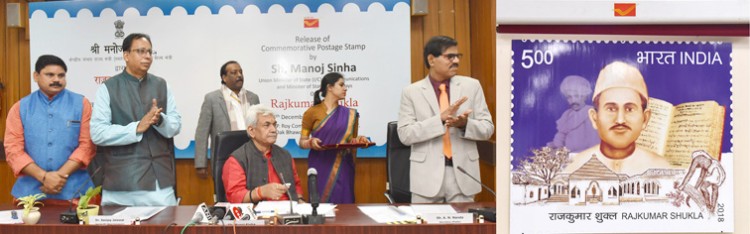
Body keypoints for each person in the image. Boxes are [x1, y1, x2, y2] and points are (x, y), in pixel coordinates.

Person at [397, 36, 494, 203]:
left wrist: (465, 125)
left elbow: (487, 129)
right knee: (426, 229)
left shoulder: (471, 86)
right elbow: (405, 135)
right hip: (426, 179)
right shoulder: (411, 92)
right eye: (450, 56)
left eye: (458, 56)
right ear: (431, 59)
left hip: (463, 175)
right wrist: (439, 120)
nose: (456, 61)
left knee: (463, 229)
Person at [91, 33, 182, 206]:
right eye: (141, 51)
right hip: (121, 184)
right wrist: (136, 128)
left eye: (149, 52)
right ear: (126, 55)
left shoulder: (162, 85)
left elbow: (175, 126)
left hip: (158, 184)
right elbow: (98, 133)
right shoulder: (107, 88)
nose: (147, 56)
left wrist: (159, 120)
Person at [4, 55, 95, 203]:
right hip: (30, 195)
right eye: (50, 75)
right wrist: (44, 177)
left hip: (75, 193)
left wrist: (58, 177)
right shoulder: (20, 107)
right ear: (36, 76)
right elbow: (13, 150)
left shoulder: (82, 104)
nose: (56, 80)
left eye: (61, 75)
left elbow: (87, 146)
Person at [566, 61, 671, 176]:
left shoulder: (662, 168)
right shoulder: (573, 168)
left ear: (645, 119)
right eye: (611, 109)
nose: (620, 120)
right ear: (594, 118)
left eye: (629, 109)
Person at [299, 72, 369, 204]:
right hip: (319, 165)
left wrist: (359, 140)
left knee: (345, 205)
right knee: (319, 205)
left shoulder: (351, 114)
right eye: (341, 85)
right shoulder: (311, 113)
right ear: (329, 87)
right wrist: (310, 142)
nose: (345, 88)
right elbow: (302, 142)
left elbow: (351, 140)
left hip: (343, 166)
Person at [222, 105, 303, 203]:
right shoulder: (237, 160)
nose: (273, 130)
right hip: (257, 215)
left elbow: (296, 185)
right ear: (252, 131)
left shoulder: (285, 155)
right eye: (267, 125)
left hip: (289, 213)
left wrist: (300, 201)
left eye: (274, 124)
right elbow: (234, 196)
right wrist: (260, 192)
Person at [194, 61, 260, 178]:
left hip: (252, 157)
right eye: (234, 73)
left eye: (240, 72)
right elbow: (202, 133)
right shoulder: (212, 99)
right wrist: (201, 164)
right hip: (225, 157)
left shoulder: (253, 98)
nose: (239, 75)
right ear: (224, 77)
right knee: (226, 194)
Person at [547, 75, 599, 152]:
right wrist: (556, 147)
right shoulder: (567, 115)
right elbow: (561, 135)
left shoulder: (591, 114)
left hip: (584, 156)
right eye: (569, 97)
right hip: (566, 155)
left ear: (585, 96)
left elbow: (594, 143)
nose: (573, 100)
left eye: (577, 96)